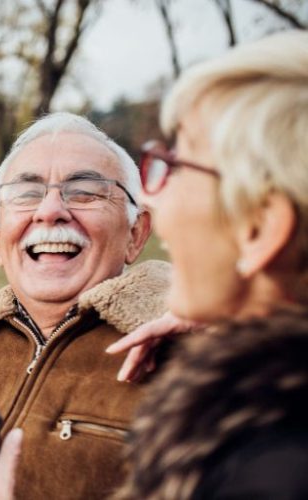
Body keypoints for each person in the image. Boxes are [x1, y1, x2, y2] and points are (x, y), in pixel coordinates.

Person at [0, 112, 170, 499]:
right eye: (27, 192)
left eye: (85, 191)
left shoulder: (197, 357)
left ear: (136, 234)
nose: (50, 211)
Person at [107, 30, 308, 499]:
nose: (153, 195)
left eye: (177, 166)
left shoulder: (266, 472)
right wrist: (245, 312)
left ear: (258, 228)